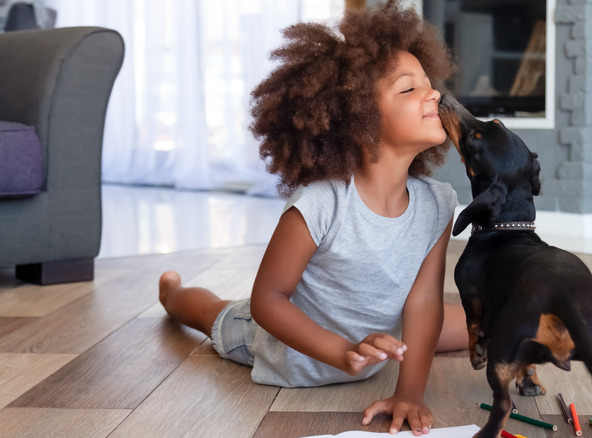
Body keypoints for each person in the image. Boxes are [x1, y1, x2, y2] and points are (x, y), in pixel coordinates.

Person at [158, 1, 467, 435]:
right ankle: (171, 292)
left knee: (477, 324)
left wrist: (409, 393)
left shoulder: (438, 203)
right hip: (285, 350)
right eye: (408, 89)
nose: (433, 93)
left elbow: (423, 304)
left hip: (376, 338)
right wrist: (342, 351)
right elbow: (268, 300)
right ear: (360, 120)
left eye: (428, 83)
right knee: (213, 312)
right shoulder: (322, 202)